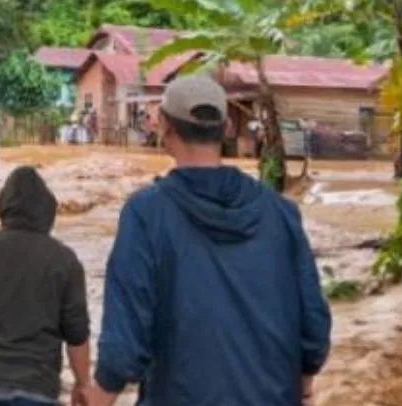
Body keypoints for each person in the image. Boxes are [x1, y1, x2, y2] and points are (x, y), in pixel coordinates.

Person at [84, 75, 332, 406]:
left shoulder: (146, 213)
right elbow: (313, 324)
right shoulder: (281, 213)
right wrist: (304, 388)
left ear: (165, 129)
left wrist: (99, 396)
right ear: (227, 127)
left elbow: (125, 340)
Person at [0, 165, 91, 406]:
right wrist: (82, 384)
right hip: (36, 389)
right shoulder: (65, 260)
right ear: (48, 211)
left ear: (3, 207)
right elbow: (77, 335)